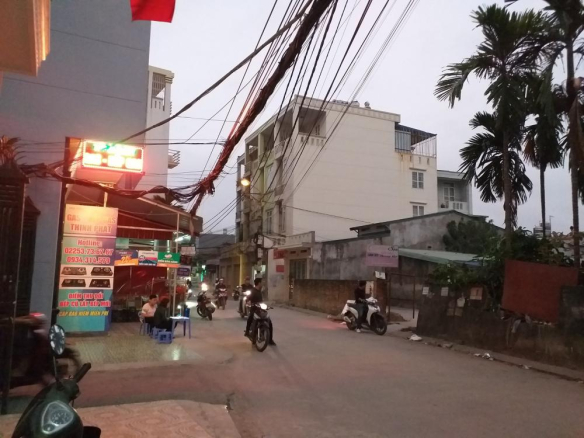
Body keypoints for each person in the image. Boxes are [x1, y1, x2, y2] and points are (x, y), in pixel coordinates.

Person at [245, 277, 276, 345]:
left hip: (261, 310)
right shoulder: (253, 291)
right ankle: (247, 332)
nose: (263, 283)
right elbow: (248, 299)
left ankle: (270, 340)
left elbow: (261, 301)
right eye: (262, 282)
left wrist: (266, 306)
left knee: (269, 322)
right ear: (259, 283)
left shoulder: (260, 291)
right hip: (254, 309)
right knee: (250, 317)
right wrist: (248, 302)